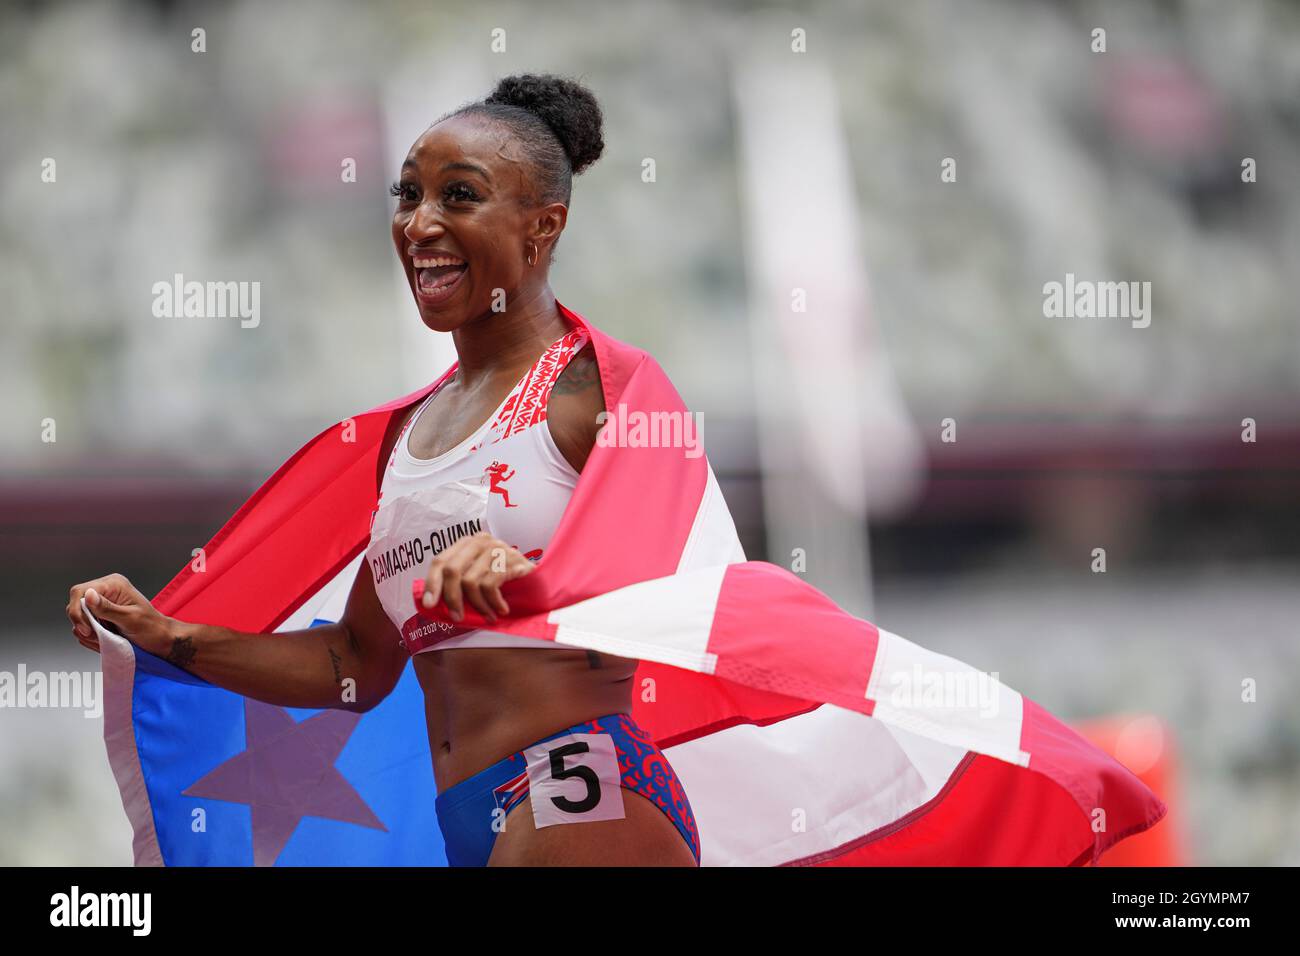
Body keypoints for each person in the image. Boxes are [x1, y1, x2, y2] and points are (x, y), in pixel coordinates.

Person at [66, 73, 700, 867]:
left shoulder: (604, 391)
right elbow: (355, 666)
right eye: (407, 195)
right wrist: (167, 635)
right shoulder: (406, 435)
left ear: (543, 227)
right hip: (467, 817)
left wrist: (536, 576)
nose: (420, 223)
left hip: (579, 786)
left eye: (459, 196)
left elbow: (678, 584)